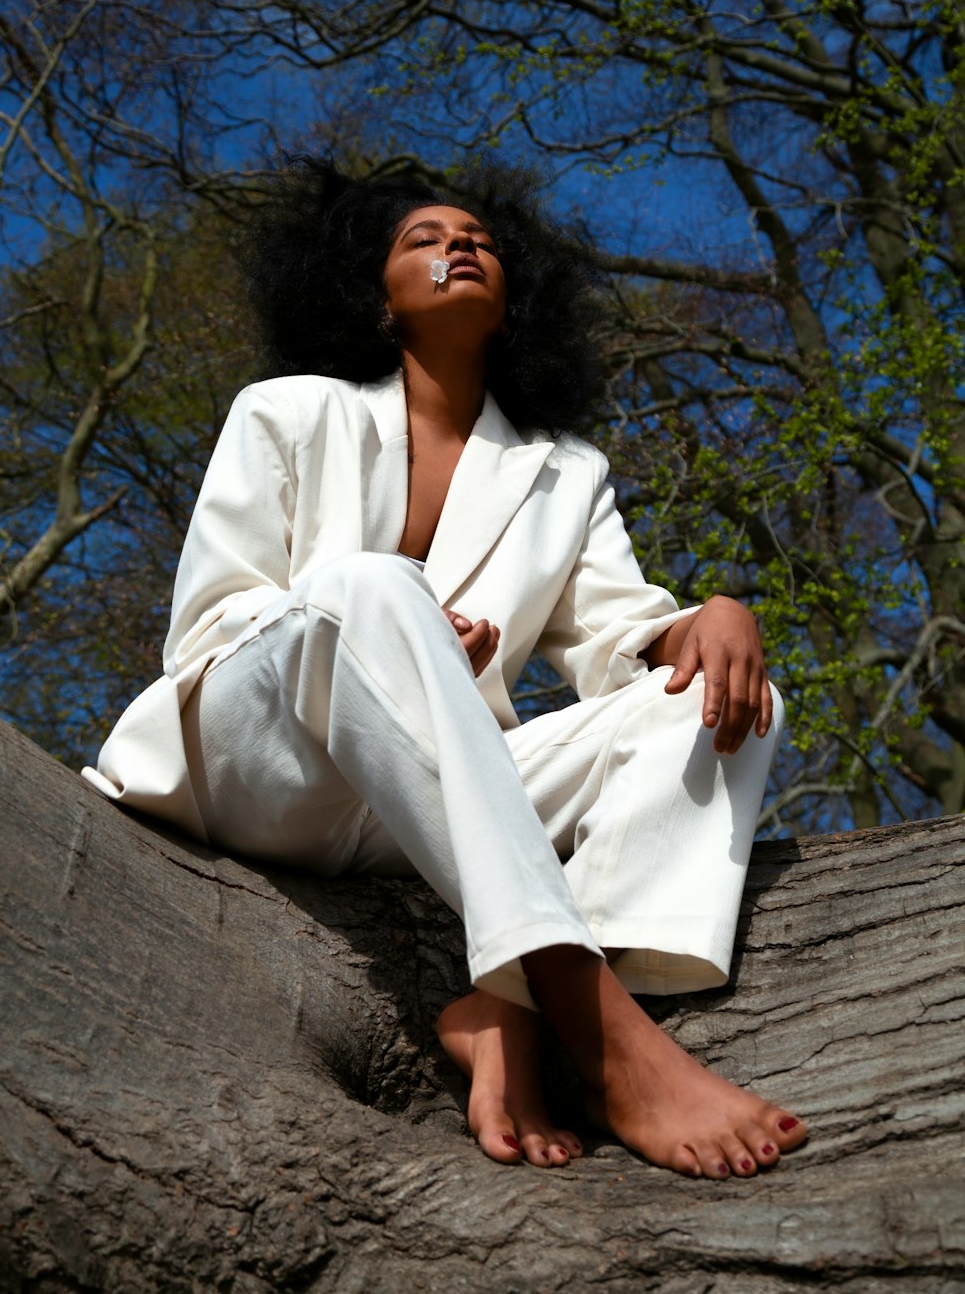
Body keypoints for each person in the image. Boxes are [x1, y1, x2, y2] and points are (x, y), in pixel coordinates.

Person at [83, 157, 806, 1178]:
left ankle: (496, 1007)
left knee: (730, 704)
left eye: (478, 240)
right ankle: (594, 1026)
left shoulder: (565, 473)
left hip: (421, 806)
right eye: (420, 239)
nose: (458, 245)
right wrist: (395, 623)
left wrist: (716, 615)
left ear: (517, 300)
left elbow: (623, 640)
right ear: (369, 294)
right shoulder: (285, 411)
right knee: (374, 589)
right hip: (257, 766)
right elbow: (212, 620)